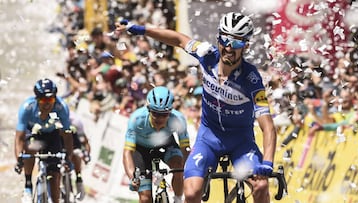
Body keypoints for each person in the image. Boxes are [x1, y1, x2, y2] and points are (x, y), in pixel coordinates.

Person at [115, 12, 277, 203]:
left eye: (237, 43)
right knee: (191, 193)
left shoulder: (251, 78)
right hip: (209, 138)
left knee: (261, 186)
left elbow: (268, 127)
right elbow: (177, 39)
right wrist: (140, 29)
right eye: (224, 39)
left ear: (246, 46)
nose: (228, 47)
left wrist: (267, 163)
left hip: (241, 142)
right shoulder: (206, 55)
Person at [123, 86, 190, 203]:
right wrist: (133, 177)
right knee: (145, 197)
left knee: (179, 165)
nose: (159, 118)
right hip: (141, 150)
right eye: (155, 113)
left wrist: (184, 170)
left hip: (166, 144)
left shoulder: (178, 119)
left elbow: (185, 148)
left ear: (170, 112)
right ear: (148, 109)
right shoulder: (136, 119)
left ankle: (178, 199)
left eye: (164, 114)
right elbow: (127, 152)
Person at [14, 78, 73, 203]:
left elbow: (67, 135)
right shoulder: (27, 108)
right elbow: (19, 138)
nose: (47, 104)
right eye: (43, 100)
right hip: (34, 133)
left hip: (52, 134)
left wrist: (68, 156)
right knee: (31, 148)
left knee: (55, 175)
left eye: (50, 99)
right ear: (37, 99)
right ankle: (28, 185)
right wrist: (19, 159)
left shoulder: (61, 107)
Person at [68, 110, 91, 200]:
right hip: (59, 138)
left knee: (76, 154)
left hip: (74, 139)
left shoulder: (76, 121)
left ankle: (78, 178)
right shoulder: (53, 118)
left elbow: (85, 142)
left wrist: (86, 154)